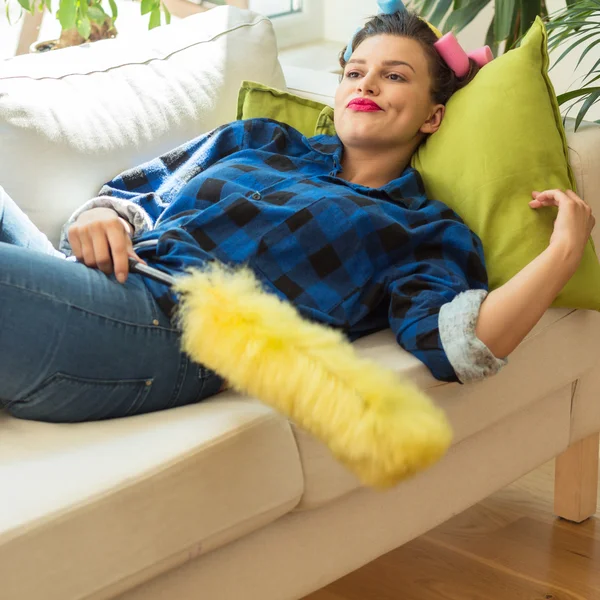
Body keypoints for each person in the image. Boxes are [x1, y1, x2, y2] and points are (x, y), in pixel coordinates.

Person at [0, 10, 594, 424]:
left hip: (172, 335)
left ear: (432, 118)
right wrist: (103, 217)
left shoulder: (423, 229)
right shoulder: (258, 139)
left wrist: (562, 252)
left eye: (395, 76)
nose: (367, 84)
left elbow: (460, 348)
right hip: (94, 277)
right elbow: (139, 191)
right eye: (356, 72)